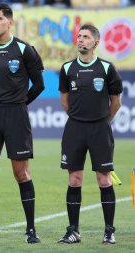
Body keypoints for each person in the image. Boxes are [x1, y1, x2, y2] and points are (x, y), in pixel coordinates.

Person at [0, 3, 45, 244]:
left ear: (10, 22)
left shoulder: (24, 50)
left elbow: (39, 85)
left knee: (21, 173)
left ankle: (31, 230)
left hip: (16, 115)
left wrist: (19, 103)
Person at [58, 24, 122, 244]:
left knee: (104, 180)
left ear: (96, 42)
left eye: (86, 37)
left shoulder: (106, 68)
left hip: (99, 129)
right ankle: (73, 231)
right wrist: (78, 118)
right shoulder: (67, 69)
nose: (81, 39)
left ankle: (109, 231)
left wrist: (103, 122)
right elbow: (65, 101)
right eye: (79, 36)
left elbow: (116, 102)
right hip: (75, 129)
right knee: (74, 179)